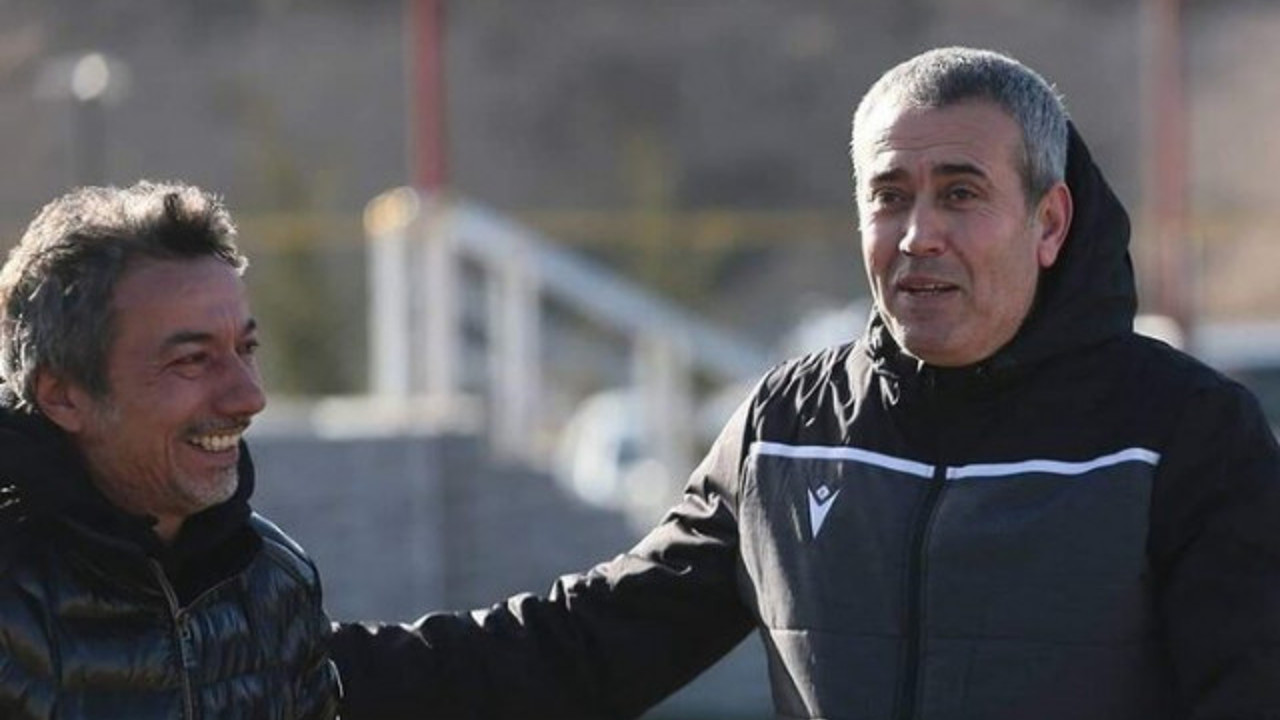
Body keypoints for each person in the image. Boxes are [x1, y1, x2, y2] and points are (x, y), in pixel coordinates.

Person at [331, 47, 1280, 719]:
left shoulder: (1183, 435)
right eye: (890, 197)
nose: (919, 235)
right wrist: (309, 669)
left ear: (1051, 221)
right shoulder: (787, 431)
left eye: (960, 193)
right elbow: (584, 646)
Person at [0, 181, 338, 718]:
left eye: (246, 348)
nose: (249, 397)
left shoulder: (277, 582)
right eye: (192, 360)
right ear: (63, 395)